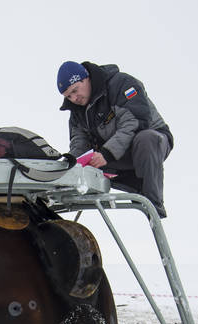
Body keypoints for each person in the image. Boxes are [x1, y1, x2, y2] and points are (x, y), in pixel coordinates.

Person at [56, 60, 174, 216]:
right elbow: (79, 142)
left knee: (146, 139)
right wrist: (70, 167)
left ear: (86, 78)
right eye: (69, 96)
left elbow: (134, 122)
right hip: (113, 154)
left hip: (149, 142)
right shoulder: (77, 111)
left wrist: (106, 154)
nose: (74, 98)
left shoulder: (121, 85)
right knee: (84, 165)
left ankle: (153, 205)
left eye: (75, 90)